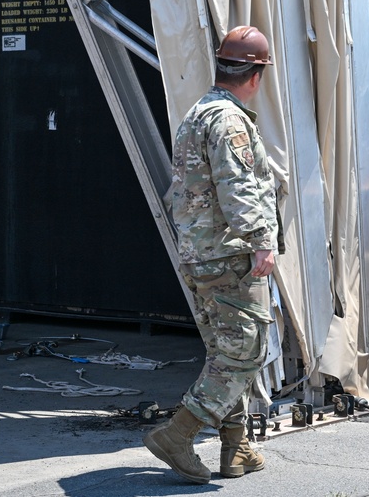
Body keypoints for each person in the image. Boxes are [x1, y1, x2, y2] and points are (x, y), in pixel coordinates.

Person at [144, 25, 279, 484]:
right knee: (243, 352)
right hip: (230, 256)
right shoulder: (229, 121)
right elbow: (238, 188)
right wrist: (262, 241)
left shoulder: (198, 114)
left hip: (202, 255)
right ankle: (179, 434)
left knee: (225, 350)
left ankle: (236, 447)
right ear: (256, 74)